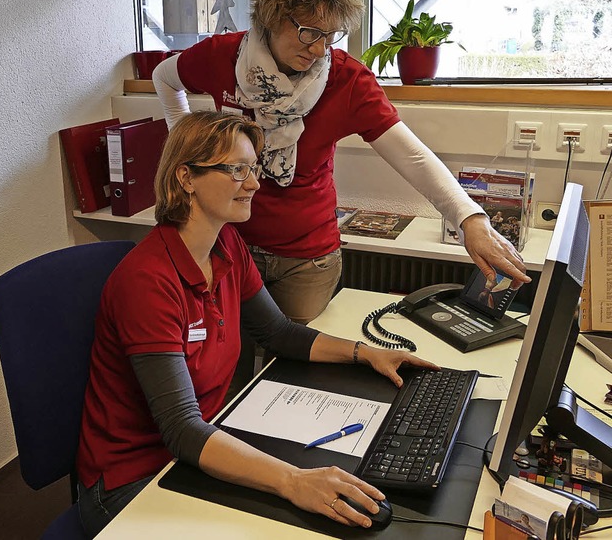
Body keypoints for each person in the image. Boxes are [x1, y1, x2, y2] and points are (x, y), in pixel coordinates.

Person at [76, 111, 440, 537]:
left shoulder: (226, 242)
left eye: (253, 169)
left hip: (201, 442)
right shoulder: (147, 282)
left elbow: (278, 332)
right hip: (134, 479)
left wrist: (365, 353)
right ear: (186, 178)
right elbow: (180, 428)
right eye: (236, 170)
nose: (253, 184)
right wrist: (292, 481)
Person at [153, 0, 530, 326]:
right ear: (272, 14)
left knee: (292, 364)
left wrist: (470, 220)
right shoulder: (223, 57)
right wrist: (188, 150)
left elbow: (412, 156)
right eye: (308, 32)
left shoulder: (347, 80)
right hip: (228, 243)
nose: (319, 49)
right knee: (227, 356)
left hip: (305, 259)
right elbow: (164, 79)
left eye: (330, 35)